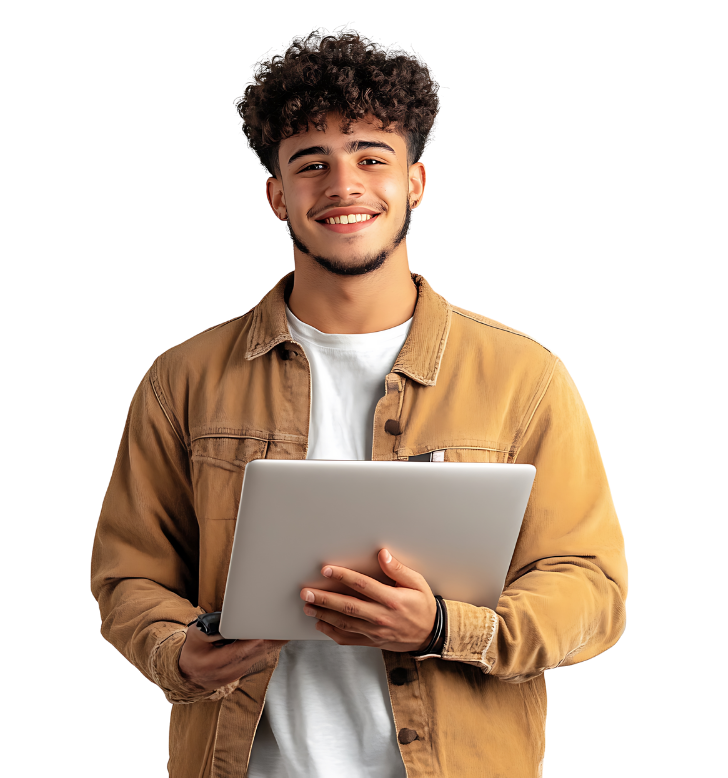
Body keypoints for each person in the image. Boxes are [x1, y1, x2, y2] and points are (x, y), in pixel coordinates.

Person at [90, 26, 629, 778]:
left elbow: (593, 589)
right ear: (278, 197)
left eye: (371, 158)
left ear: (416, 184)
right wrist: (179, 651)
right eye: (312, 164)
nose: (343, 186)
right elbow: (126, 579)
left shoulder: (525, 378)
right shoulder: (181, 380)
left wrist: (445, 626)